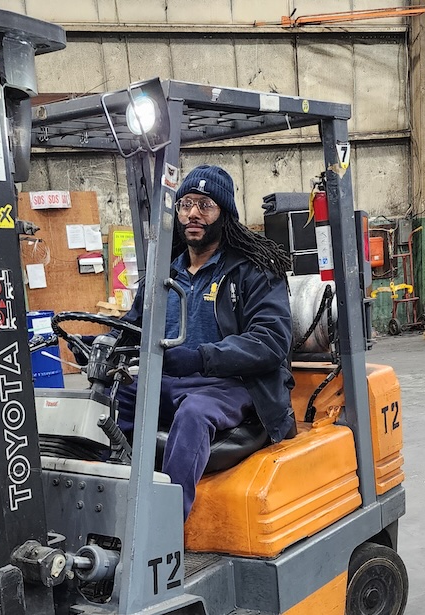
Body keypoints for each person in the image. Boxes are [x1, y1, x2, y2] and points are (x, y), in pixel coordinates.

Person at [114, 164, 297, 519]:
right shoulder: (166, 272)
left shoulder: (255, 269)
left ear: (224, 214)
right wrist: (105, 340)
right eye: (185, 204)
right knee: (111, 397)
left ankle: (164, 528)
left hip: (234, 384)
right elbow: (133, 324)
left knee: (194, 414)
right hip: (172, 380)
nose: (193, 213)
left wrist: (200, 358)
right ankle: (114, 504)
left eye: (205, 205)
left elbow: (271, 340)